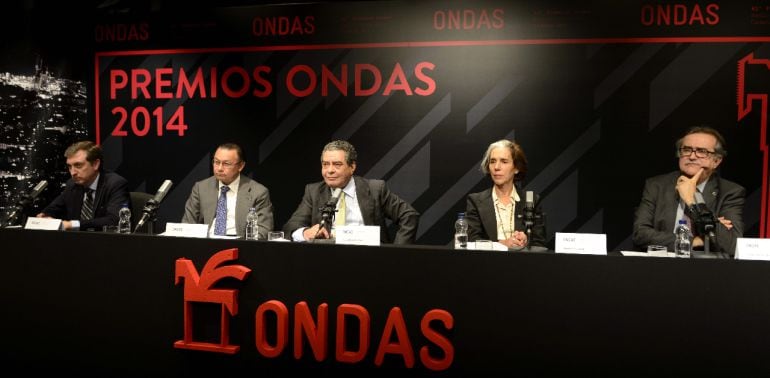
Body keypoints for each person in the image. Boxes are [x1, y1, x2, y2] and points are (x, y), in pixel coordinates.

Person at [632, 126, 745, 255]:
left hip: (706, 269)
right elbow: (640, 234)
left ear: (716, 161)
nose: (692, 156)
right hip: (660, 264)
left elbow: (731, 245)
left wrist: (692, 202)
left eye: (702, 151)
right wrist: (695, 241)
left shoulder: (730, 192)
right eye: (686, 150)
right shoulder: (656, 186)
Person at [283, 140, 419, 244]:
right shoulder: (313, 192)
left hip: (370, 259)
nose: (329, 170)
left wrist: (396, 254)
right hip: (326, 260)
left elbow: (409, 215)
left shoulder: (375, 189)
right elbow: (291, 227)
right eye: (325, 164)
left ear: (352, 166)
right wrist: (306, 232)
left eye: (337, 164)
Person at [465, 139, 546, 249]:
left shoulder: (532, 200)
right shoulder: (475, 201)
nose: (496, 167)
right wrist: (501, 245)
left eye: (504, 161)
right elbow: (472, 242)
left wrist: (526, 240)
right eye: (492, 161)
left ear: (516, 168)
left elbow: (539, 244)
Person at [181, 143, 274, 239]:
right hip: (206, 243)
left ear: (241, 166)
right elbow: (187, 224)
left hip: (240, 246)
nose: (220, 168)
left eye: (226, 164)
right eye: (216, 162)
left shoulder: (258, 192)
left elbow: (263, 230)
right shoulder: (201, 188)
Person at [37, 140, 130, 231]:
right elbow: (54, 208)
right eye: (70, 166)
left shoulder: (115, 184)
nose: (72, 172)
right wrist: (44, 215)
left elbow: (115, 220)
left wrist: (72, 225)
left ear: (95, 164)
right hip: (77, 242)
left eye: (78, 165)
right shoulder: (72, 184)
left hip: (105, 243)